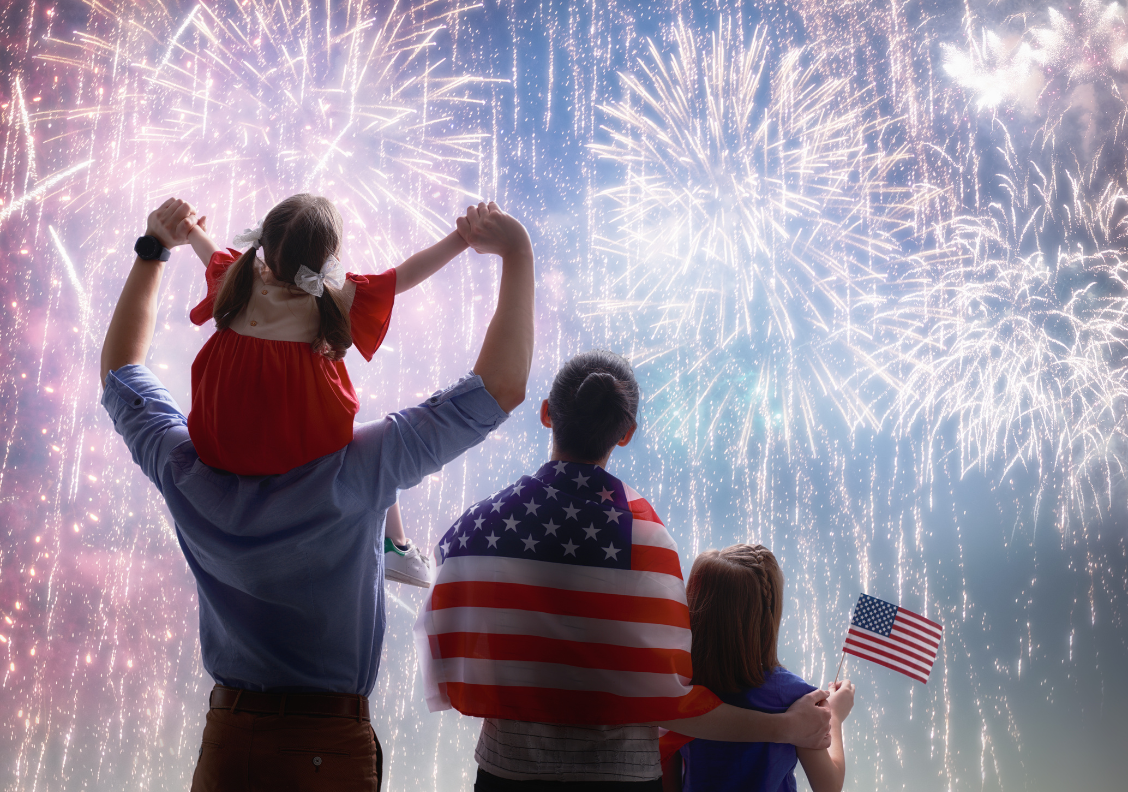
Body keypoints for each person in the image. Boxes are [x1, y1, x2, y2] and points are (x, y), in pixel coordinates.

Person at [102, 197, 534, 791]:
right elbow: (498, 390)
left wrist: (152, 250)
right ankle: (398, 551)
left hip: (226, 745)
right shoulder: (361, 469)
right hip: (324, 751)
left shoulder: (184, 470)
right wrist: (515, 253)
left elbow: (120, 372)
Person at [415, 351, 833, 790]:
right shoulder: (646, 538)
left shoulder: (481, 526)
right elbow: (663, 700)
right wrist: (786, 728)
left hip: (508, 774)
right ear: (626, 433)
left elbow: (454, 648)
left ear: (546, 414)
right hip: (620, 779)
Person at [182, 194, 472, 587]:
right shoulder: (334, 296)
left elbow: (210, 251)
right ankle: (394, 547)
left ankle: (386, 544)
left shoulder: (240, 274)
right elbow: (404, 275)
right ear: (328, 258)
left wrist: (192, 230)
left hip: (220, 443)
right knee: (377, 449)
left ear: (264, 243)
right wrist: (462, 238)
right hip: (299, 453)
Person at [662, 545, 855, 792]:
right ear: (769, 615)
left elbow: (670, 778)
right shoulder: (797, 698)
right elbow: (829, 786)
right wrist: (835, 717)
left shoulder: (680, 688)